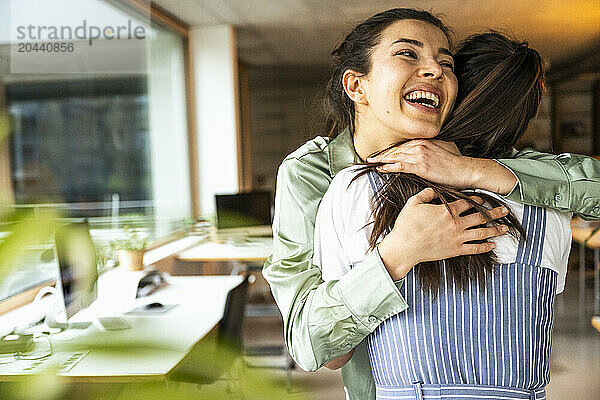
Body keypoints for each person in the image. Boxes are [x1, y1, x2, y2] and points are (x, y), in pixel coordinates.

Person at [262, 8, 600, 400]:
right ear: (357, 86)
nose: (436, 71)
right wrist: (396, 256)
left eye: (446, 63)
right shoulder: (314, 174)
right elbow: (309, 343)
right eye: (408, 54)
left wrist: (468, 170)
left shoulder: (493, 163)